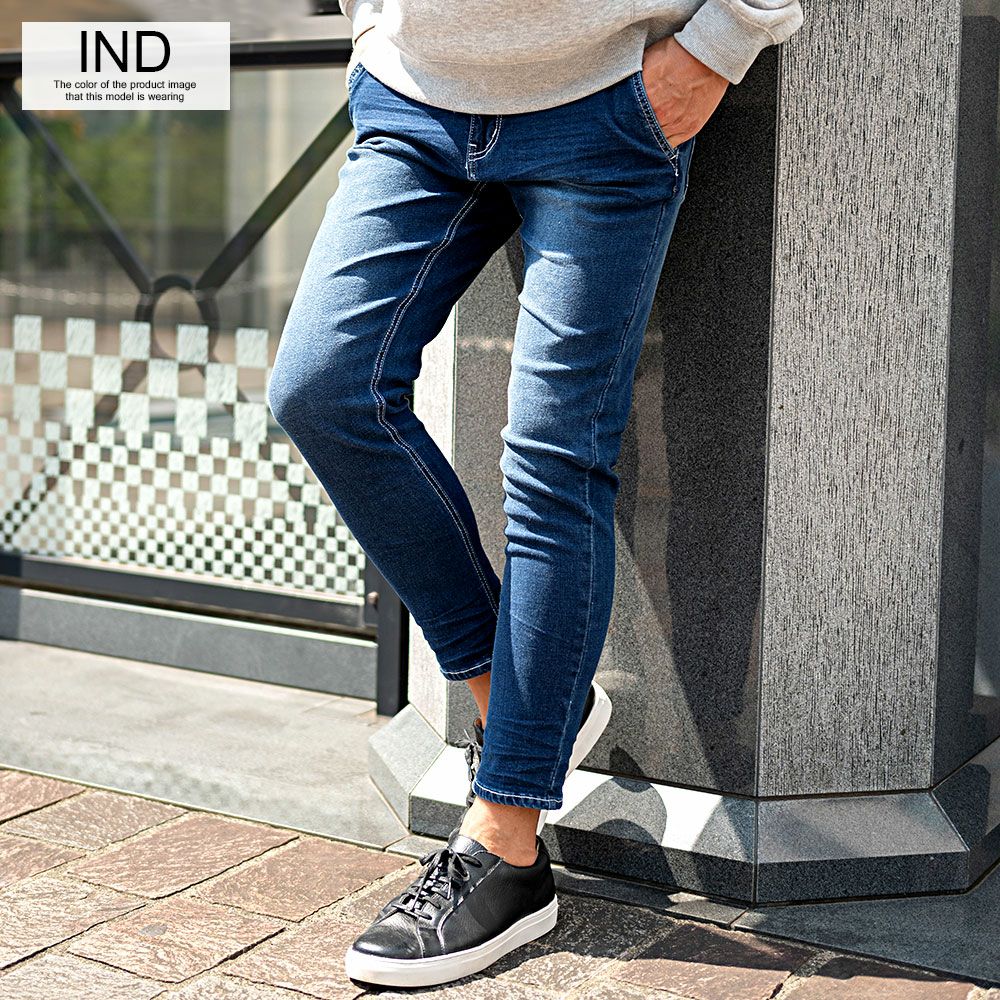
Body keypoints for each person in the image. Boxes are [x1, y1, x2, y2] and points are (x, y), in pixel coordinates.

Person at [267, 0, 803, 988]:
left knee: (553, 459)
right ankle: (519, 701)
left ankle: (508, 846)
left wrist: (718, 44)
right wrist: (372, 26)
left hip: (608, 100)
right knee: (322, 391)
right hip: (414, 96)